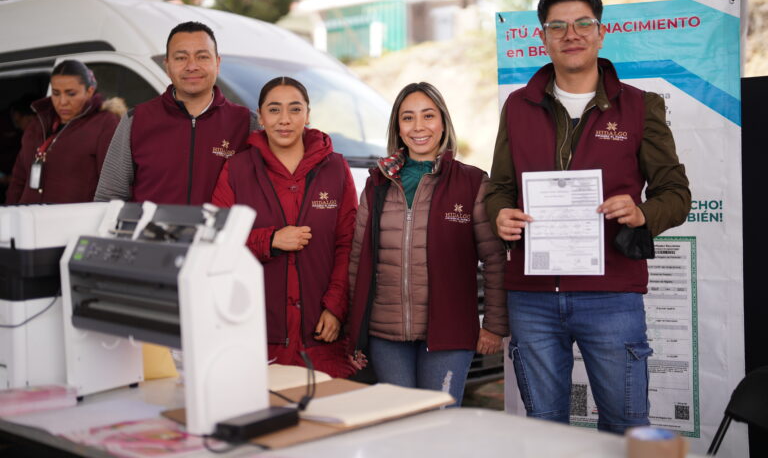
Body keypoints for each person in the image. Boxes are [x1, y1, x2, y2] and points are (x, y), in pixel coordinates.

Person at [485, 0, 691, 433]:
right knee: (543, 427)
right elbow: (499, 188)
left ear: (601, 32)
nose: (570, 34)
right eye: (557, 26)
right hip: (532, 296)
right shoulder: (517, 107)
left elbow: (676, 194)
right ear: (542, 37)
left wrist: (642, 214)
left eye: (583, 23)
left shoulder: (640, 107)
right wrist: (499, 214)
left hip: (612, 294)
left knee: (625, 426)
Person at [347, 82, 508, 406]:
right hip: (386, 334)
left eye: (428, 116)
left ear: (443, 122)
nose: (418, 127)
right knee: (402, 422)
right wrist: (355, 334)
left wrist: (493, 324)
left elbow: (495, 260)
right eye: (408, 118)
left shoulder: (472, 182)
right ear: (397, 127)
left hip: (450, 332)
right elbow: (357, 260)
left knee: (441, 421)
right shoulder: (377, 183)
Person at [212, 76, 358, 378]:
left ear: (308, 114)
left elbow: (349, 243)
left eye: (295, 109)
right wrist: (270, 240)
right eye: (274, 110)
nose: (285, 120)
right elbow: (216, 240)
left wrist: (335, 306)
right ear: (261, 117)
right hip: (259, 336)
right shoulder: (237, 169)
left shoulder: (336, 168)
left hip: (321, 337)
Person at [95, 21, 256, 204]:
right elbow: (109, 197)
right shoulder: (136, 120)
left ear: (217, 63)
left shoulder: (247, 123)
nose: (192, 66)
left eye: (202, 57)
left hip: (221, 233)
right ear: (167, 66)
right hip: (149, 233)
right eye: (180, 58)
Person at [6, 61, 123, 204]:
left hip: (73, 223)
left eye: (71, 94)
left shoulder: (105, 123)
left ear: (89, 91)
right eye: (56, 93)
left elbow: (113, 187)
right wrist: (11, 215)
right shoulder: (38, 123)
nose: (62, 101)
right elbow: (19, 179)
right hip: (29, 221)